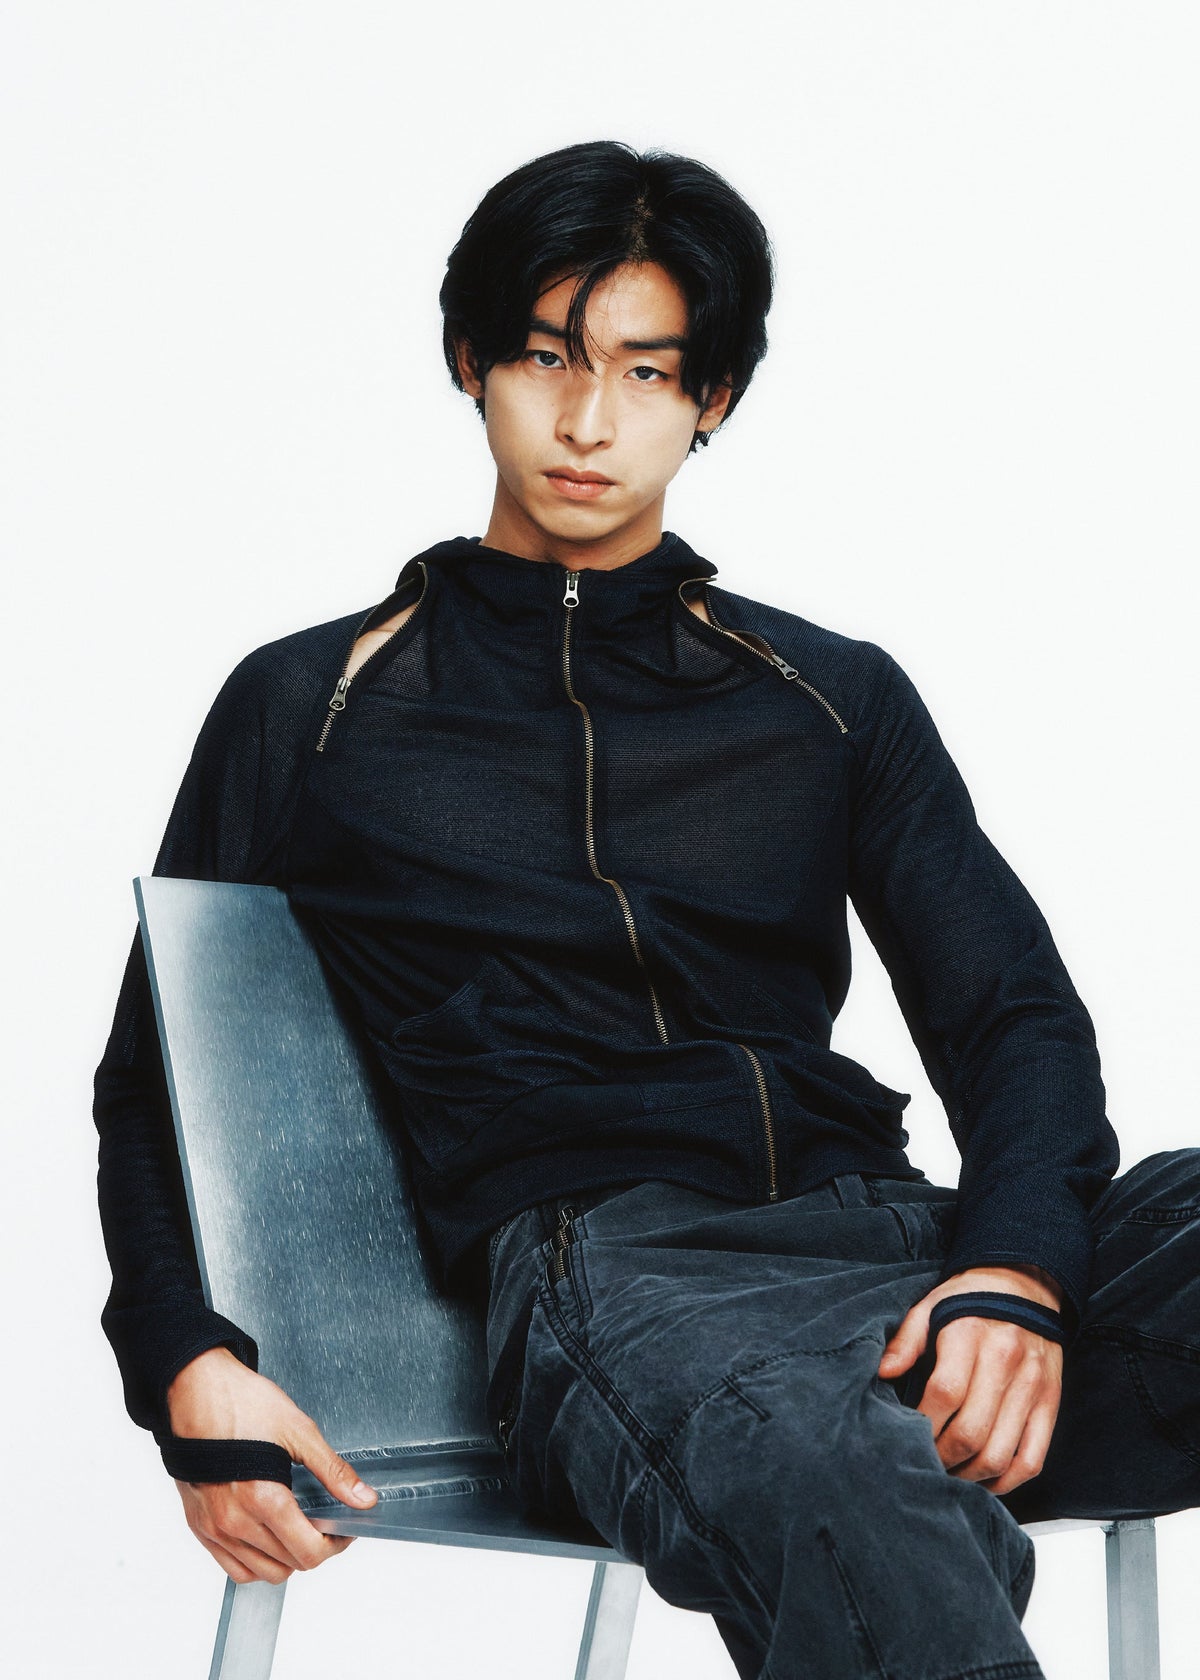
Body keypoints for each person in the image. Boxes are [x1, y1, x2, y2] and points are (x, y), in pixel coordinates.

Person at [94, 139, 1200, 1679]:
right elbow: (153, 1085)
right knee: (838, 1468)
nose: (588, 419)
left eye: (646, 371)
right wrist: (182, 1361)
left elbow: (1011, 1016)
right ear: (470, 362)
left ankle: (917, 1440)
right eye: (547, 357)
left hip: (895, 1245)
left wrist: (1011, 1271)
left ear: (712, 398)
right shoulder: (315, 705)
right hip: (621, 1284)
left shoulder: (826, 698)